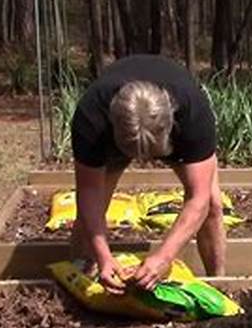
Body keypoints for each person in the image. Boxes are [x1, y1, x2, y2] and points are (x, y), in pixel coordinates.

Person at [70, 54, 225, 293]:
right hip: (111, 137)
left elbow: (199, 199)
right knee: (90, 211)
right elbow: (89, 191)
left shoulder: (194, 112)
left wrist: (163, 257)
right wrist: (104, 257)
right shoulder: (92, 117)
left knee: (213, 204)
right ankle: (80, 276)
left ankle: (219, 283)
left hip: (175, 132)